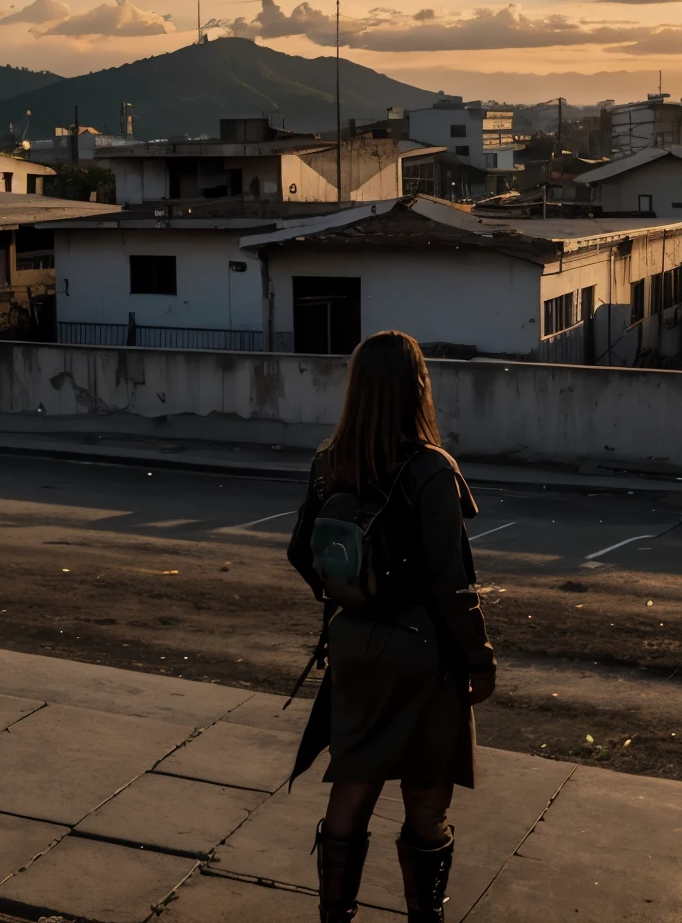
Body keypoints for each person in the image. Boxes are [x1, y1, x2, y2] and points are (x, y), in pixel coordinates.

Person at [285, 331, 496, 923]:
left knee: (353, 782)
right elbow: (451, 582)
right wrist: (478, 658)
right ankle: (424, 917)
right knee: (426, 793)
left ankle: (335, 916)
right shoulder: (431, 468)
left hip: (353, 643)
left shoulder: (329, 463)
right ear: (417, 387)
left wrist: (352, 596)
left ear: (357, 389)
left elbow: (302, 552)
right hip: (423, 652)